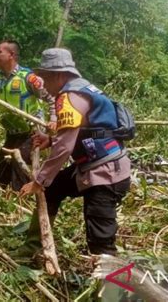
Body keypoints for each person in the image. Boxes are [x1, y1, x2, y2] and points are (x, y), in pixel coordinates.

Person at [18, 48, 131, 258]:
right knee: (52, 190)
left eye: (46, 78)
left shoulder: (69, 97)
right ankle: (33, 248)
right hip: (92, 167)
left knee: (101, 244)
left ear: (59, 75)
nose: (44, 84)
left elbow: (64, 147)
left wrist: (39, 180)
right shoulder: (85, 89)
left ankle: (113, 287)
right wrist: (50, 139)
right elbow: (88, 130)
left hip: (105, 175)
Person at [0, 40, 57, 191]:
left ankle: (22, 202)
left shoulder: (28, 77)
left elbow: (50, 98)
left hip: (31, 133)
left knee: (19, 166)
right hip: (11, 132)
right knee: (0, 171)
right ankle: (3, 203)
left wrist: (53, 119)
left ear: (11, 55)